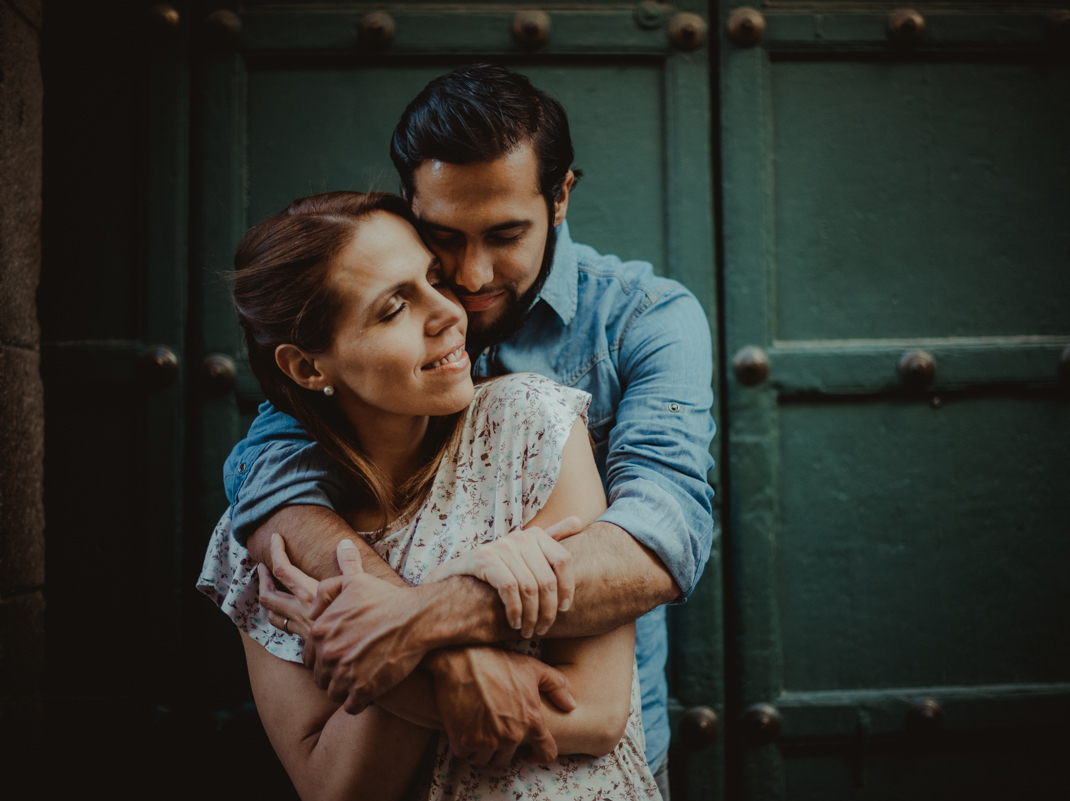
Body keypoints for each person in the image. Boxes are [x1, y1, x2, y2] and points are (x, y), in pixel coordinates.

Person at [222, 64, 716, 799]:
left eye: (506, 234)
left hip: (577, 750)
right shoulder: (376, 310)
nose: (471, 279)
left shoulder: (643, 320)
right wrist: (450, 662)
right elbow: (265, 471)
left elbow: (659, 539)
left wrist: (422, 620)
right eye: (443, 237)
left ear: (561, 196)